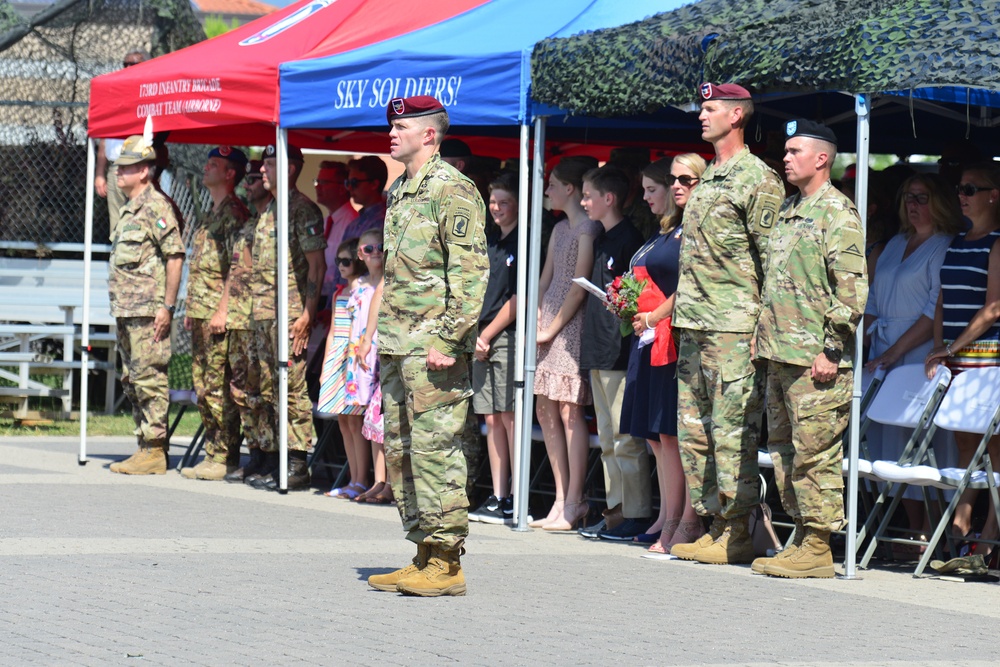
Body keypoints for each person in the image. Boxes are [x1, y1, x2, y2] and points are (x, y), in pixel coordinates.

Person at [367, 95, 488, 597]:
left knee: (438, 451)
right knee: (401, 452)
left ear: (430, 135)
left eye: (402, 126)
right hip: (399, 345)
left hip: (432, 350)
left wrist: (448, 339)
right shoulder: (402, 191)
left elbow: (471, 276)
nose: (392, 133)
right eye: (392, 125)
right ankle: (421, 551)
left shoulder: (452, 191)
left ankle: (447, 561)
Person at [670, 82, 785, 565]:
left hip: (735, 328)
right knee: (694, 431)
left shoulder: (757, 180)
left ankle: (738, 529)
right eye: (701, 107)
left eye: (711, 108)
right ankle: (714, 522)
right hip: (694, 324)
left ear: (736, 116)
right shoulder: (710, 176)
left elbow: (773, 260)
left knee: (732, 431)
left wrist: (764, 329)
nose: (702, 115)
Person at [751, 119, 868, 578]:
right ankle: (801, 534)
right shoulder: (789, 209)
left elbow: (852, 290)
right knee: (784, 451)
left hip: (816, 360)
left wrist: (832, 350)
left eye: (795, 150)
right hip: (780, 354)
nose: (785, 157)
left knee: (815, 453)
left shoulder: (838, 214)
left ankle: (819, 544)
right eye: (786, 150)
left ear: (822, 159)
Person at [863, 173, 963, 545]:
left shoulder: (944, 245)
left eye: (921, 197)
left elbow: (931, 308)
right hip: (882, 351)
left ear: (938, 201)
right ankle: (907, 526)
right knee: (891, 441)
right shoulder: (893, 244)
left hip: (919, 352)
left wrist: (895, 351)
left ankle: (930, 531)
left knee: (925, 442)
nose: (913, 204)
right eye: (908, 196)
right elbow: (872, 298)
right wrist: (871, 347)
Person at [620, 154, 707, 557]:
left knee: (676, 435)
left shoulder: (700, 228)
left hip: (677, 340)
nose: (677, 187)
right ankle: (669, 517)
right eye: (673, 180)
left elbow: (693, 281)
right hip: (654, 338)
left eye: (686, 180)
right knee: (659, 437)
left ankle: (685, 520)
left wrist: (654, 312)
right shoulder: (669, 229)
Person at [925, 162, 1000, 553]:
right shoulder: (957, 240)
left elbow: (994, 308)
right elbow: (942, 298)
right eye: (960, 189)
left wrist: (951, 348)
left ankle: (988, 531)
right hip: (957, 357)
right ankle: (964, 519)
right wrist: (941, 349)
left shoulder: (997, 242)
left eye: (971, 189)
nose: (962, 196)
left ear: (994, 194)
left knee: (994, 447)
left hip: (989, 359)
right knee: (965, 443)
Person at [246, 144, 326, 491]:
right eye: (263, 164)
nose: (263, 170)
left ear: (290, 168)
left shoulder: (302, 210)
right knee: (266, 387)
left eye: (270, 163)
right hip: (263, 313)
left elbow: (316, 266)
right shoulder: (270, 210)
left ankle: (296, 461)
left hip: (290, 313)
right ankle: (272, 454)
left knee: (291, 387)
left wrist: (307, 314)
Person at [577, 165, 649, 540]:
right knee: (607, 439)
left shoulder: (628, 239)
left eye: (588, 195)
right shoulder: (602, 237)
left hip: (618, 350)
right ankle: (617, 510)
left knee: (625, 439)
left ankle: (636, 512)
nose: (583, 202)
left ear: (609, 199)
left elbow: (634, 297)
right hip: (598, 349)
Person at [531, 156, 602, 531]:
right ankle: (559, 497)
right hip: (549, 321)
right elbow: (547, 278)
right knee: (546, 410)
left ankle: (575, 499)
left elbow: (579, 285)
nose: (547, 190)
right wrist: (537, 320)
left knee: (570, 411)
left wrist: (552, 327)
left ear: (569, 189)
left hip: (572, 325)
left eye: (552, 184)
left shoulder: (587, 228)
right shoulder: (560, 229)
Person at [107, 133, 185, 475]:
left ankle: (154, 451)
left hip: (147, 311)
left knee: (150, 378)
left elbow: (175, 256)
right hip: (127, 310)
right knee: (133, 379)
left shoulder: (156, 206)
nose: (117, 173)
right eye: (117, 168)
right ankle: (145, 446)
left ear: (144, 171)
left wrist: (166, 307)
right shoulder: (128, 208)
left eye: (125, 168)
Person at [178, 146, 250, 481]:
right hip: (201, 311)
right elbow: (204, 266)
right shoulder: (211, 211)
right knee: (203, 385)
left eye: (214, 165)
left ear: (230, 173)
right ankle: (213, 450)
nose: (206, 168)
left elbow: (236, 269)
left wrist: (222, 309)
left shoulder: (235, 212)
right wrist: (192, 306)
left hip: (219, 315)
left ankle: (225, 456)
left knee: (218, 385)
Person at [469, 171, 520, 525]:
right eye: (493, 202)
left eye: (505, 202)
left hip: (505, 335)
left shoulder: (523, 243)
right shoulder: (490, 240)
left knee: (509, 416)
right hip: (482, 335)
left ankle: (517, 495)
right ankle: (498, 493)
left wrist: (488, 335)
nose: (497, 208)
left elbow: (519, 298)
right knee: (491, 417)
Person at [224, 161, 273, 483]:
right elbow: (236, 271)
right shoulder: (252, 220)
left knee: (263, 390)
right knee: (243, 390)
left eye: (256, 178)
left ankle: (270, 457)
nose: (250, 183)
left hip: (260, 317)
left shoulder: (273, 218)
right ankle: (254, 454)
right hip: (242, 316)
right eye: (250, 178)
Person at [318, 238, 371, 498]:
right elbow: (331, 333)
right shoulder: (340, 293)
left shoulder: (363, 289)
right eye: (338, 261)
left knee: (355, 420)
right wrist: (327, 364)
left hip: (353, 357)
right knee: (342, 420)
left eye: (346, 261)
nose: (341, 265)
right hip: (337, 359)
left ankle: (361, 479)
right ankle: (352, 478)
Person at [94, 49, 148, 234]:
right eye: (125, 64)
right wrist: (100, 173)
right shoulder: (113, 93)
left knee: (140, 218)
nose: (128, 68)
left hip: (138, 166)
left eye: (134, 64)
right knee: (117, 224)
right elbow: (104, 138)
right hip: (115, 167)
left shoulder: (149, 93)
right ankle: (119, 258)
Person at [314, 160, 359, 296]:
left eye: (323, 183)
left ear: (342, 187)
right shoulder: (326, 221)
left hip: (339, 297)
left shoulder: (352, 223)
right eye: (317, 182)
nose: (317, 187)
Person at [344, 155, 388, 241]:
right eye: (347, 182)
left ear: (374, 184)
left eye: (354, 182)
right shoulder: (354, 223)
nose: (349, 188)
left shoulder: (383, 221)